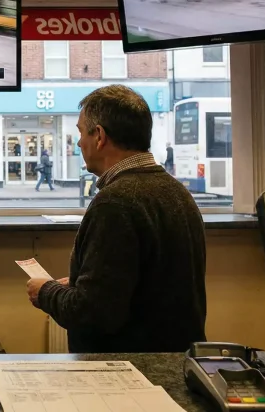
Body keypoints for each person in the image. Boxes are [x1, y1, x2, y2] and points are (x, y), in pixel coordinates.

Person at [26, 85, 206, 353]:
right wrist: (78, 284)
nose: (78, 143)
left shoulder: (115, 203)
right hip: (173, 364)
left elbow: (92, 314)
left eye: (79, 132)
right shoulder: (177, 192)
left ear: (99, 136)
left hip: (129, 374)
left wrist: (45, 292)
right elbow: (143, 285)